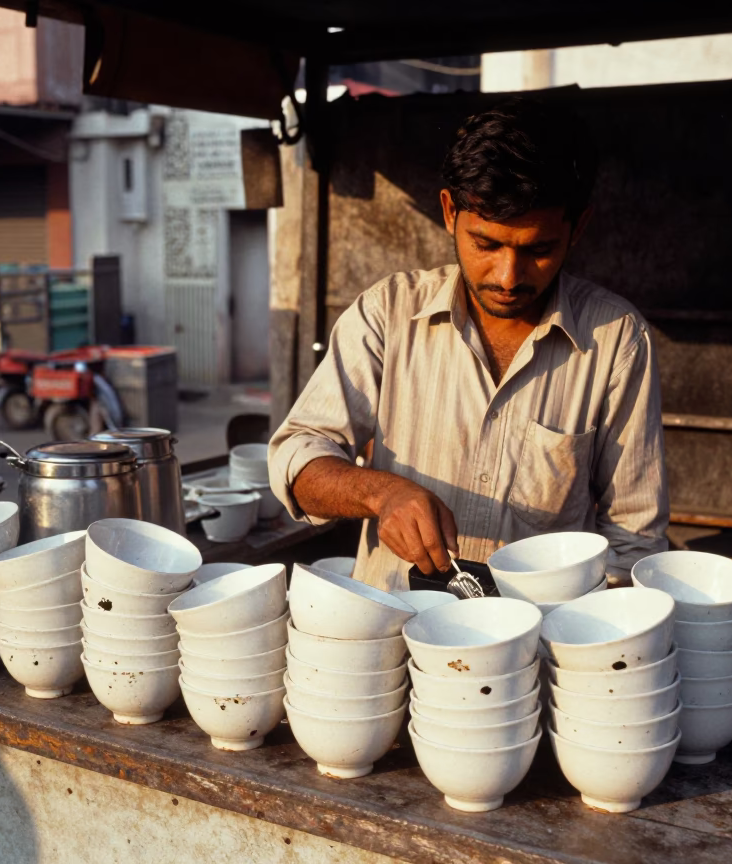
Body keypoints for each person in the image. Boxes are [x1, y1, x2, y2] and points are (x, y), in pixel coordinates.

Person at [268, 98, 669, 591]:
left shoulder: (616, 339)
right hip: (391, 642)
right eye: (486, 244)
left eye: (538, 250)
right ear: (449, 212)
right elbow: (297, 455)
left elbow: (634, 537)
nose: (508, 276)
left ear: (576, 228)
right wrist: (379, 493)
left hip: (539, 648)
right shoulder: (387, 313)